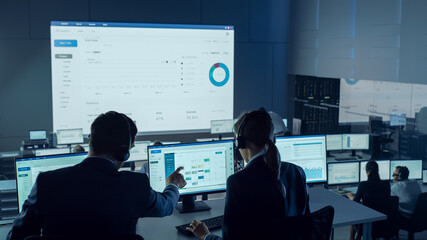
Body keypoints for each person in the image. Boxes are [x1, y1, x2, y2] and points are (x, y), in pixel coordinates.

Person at [7, 111, 186, 239]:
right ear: (125, 153)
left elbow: (18, 235)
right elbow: (165, 206)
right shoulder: (135, 185)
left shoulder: (46, 182)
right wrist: (173, 185)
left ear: (90, 142)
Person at [187, 108, 309, 240]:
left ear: (241, 142)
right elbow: (306, 225)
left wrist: (206, 235)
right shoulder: (297, 172)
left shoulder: (238, 182)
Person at [346, 160, 390, 240]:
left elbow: (355, 202)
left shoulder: (364, 184)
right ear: (378, 171)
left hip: (368, 222)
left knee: (353, 215)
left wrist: (351, 196)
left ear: (367, 171)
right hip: (383, 222)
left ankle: (352, 238)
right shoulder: (386, 184)